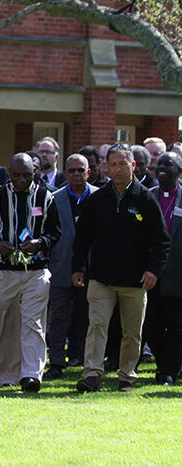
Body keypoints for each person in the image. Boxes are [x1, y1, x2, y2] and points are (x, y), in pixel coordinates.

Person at [73, 143, 170, 393]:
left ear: (134, 166)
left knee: (132, 331)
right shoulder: (97, 200)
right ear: (106, 167)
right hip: (101, 278)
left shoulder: (146, 199)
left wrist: (153, 271)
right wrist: (79, 267)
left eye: (122, 164)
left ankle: (127, 375)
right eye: (112, 164)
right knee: (97, 325)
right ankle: (92, 374)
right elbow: (83, 238)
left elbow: (161, 241)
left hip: (136, 280)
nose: (116, 169)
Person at [0, 153, 60, 392]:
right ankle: (8, 375)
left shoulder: (46, 197)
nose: (21, 180)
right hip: (4, 270)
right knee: (6, 324)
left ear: (36, 173)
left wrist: (40, 243)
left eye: (26, 175)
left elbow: (55, 232)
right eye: (16, 175)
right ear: (9, 173)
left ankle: (31, 375)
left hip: (36, 271)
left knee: (33, 323)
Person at [42, 154, 95, 380]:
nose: (76, 175)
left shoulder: (99, 197)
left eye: (80, 170)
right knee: (58, 319)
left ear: (88, 172)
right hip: (61, 267)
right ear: (65, 172)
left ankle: (86, 360)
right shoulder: (54, 198)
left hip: (92, 269)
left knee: (89, 318)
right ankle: (56, 362)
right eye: (71, 170)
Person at [145, 152, 182, 385]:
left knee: (177, 327)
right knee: (151, 327)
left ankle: (169, 370)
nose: (162, 168)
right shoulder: (148, 197)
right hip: (151, 275)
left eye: (168, 165)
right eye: (159, 164)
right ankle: (163, 365)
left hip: (179, 275)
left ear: (179, 171)